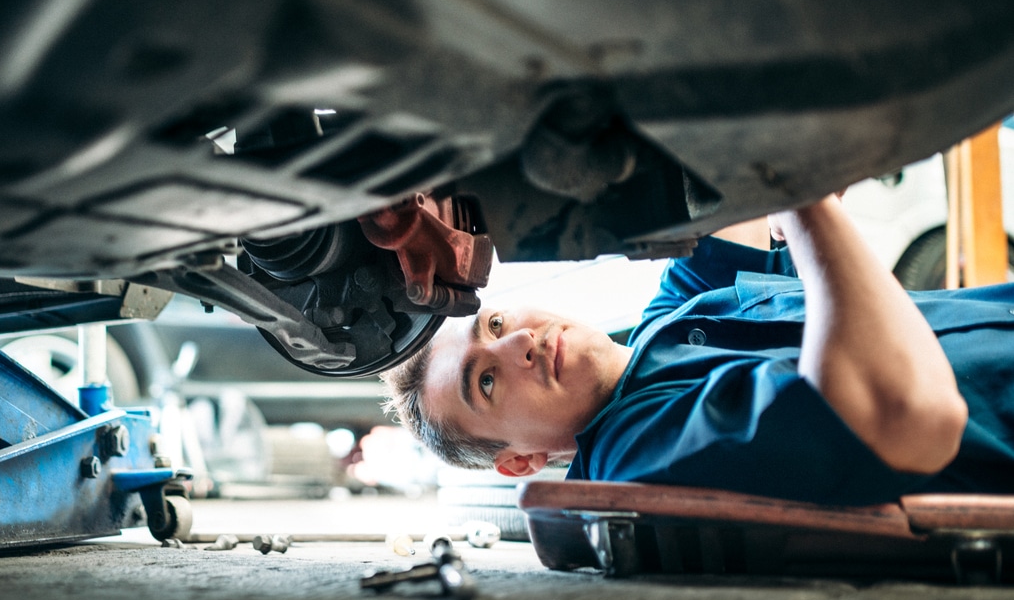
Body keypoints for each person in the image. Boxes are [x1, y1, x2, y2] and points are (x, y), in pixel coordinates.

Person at [381, 194, 1014, 505]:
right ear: (521, 462)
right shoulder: (634, 461)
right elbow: (904, 418)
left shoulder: (667, 321)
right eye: (484, 382)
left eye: (493, 324)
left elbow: (722, 195)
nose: (518, 342)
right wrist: (803, 197)